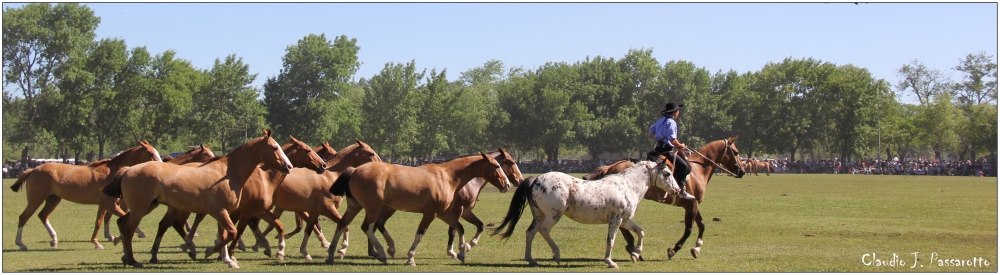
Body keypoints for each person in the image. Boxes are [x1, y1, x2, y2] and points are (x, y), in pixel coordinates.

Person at [648, 102, 695, 200]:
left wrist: (660, 136)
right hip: (666, 150)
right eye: (678, 111)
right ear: (674, 112)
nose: (678, 113)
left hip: (658, 148)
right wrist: (681, 146)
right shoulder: (671, 122)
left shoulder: (660, 121)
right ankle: (681, 190)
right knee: (684, 166)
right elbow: (672, 140)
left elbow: (651, 132)